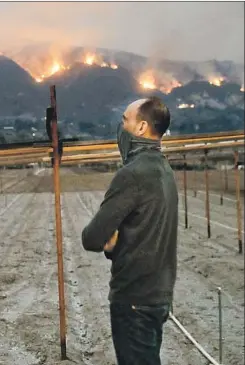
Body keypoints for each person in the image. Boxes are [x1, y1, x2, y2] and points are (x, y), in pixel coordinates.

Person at [81, 96, 178, 365]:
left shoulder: (132, 175)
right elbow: (147, 231)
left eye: (125, 120)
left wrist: (110, 244)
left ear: (141, 128)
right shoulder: (164, 169)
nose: (120, 127)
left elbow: (91, 238)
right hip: (158, 294)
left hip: (134, 297)